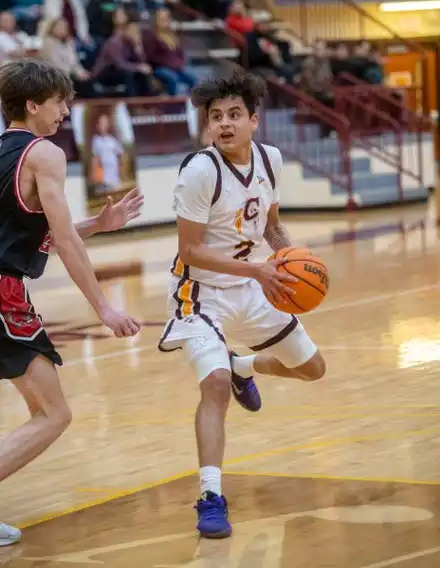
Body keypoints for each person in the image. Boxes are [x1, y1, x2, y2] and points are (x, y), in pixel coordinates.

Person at [158, 70, 326, 539]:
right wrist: (258, 270)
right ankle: (211, 496)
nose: (225, 124)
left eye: (234, 115)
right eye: (216, 117)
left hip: (254, 288)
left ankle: (244, 367)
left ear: (254, 120)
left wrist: (289, 261)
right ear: (208, 126)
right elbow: (189, 251)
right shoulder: (199, 171)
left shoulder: (270, 160)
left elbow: (271, 227)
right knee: (212, 386)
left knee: (314, 369)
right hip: (201, 294)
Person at [0, 58, 143, 545]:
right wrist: (104, 307)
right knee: (53, 413)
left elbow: (27, 233)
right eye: (60, 101)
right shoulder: (44, 155)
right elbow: (61, 238)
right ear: (32, 104)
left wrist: (99, 226)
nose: (65, 110)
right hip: (2, 294)